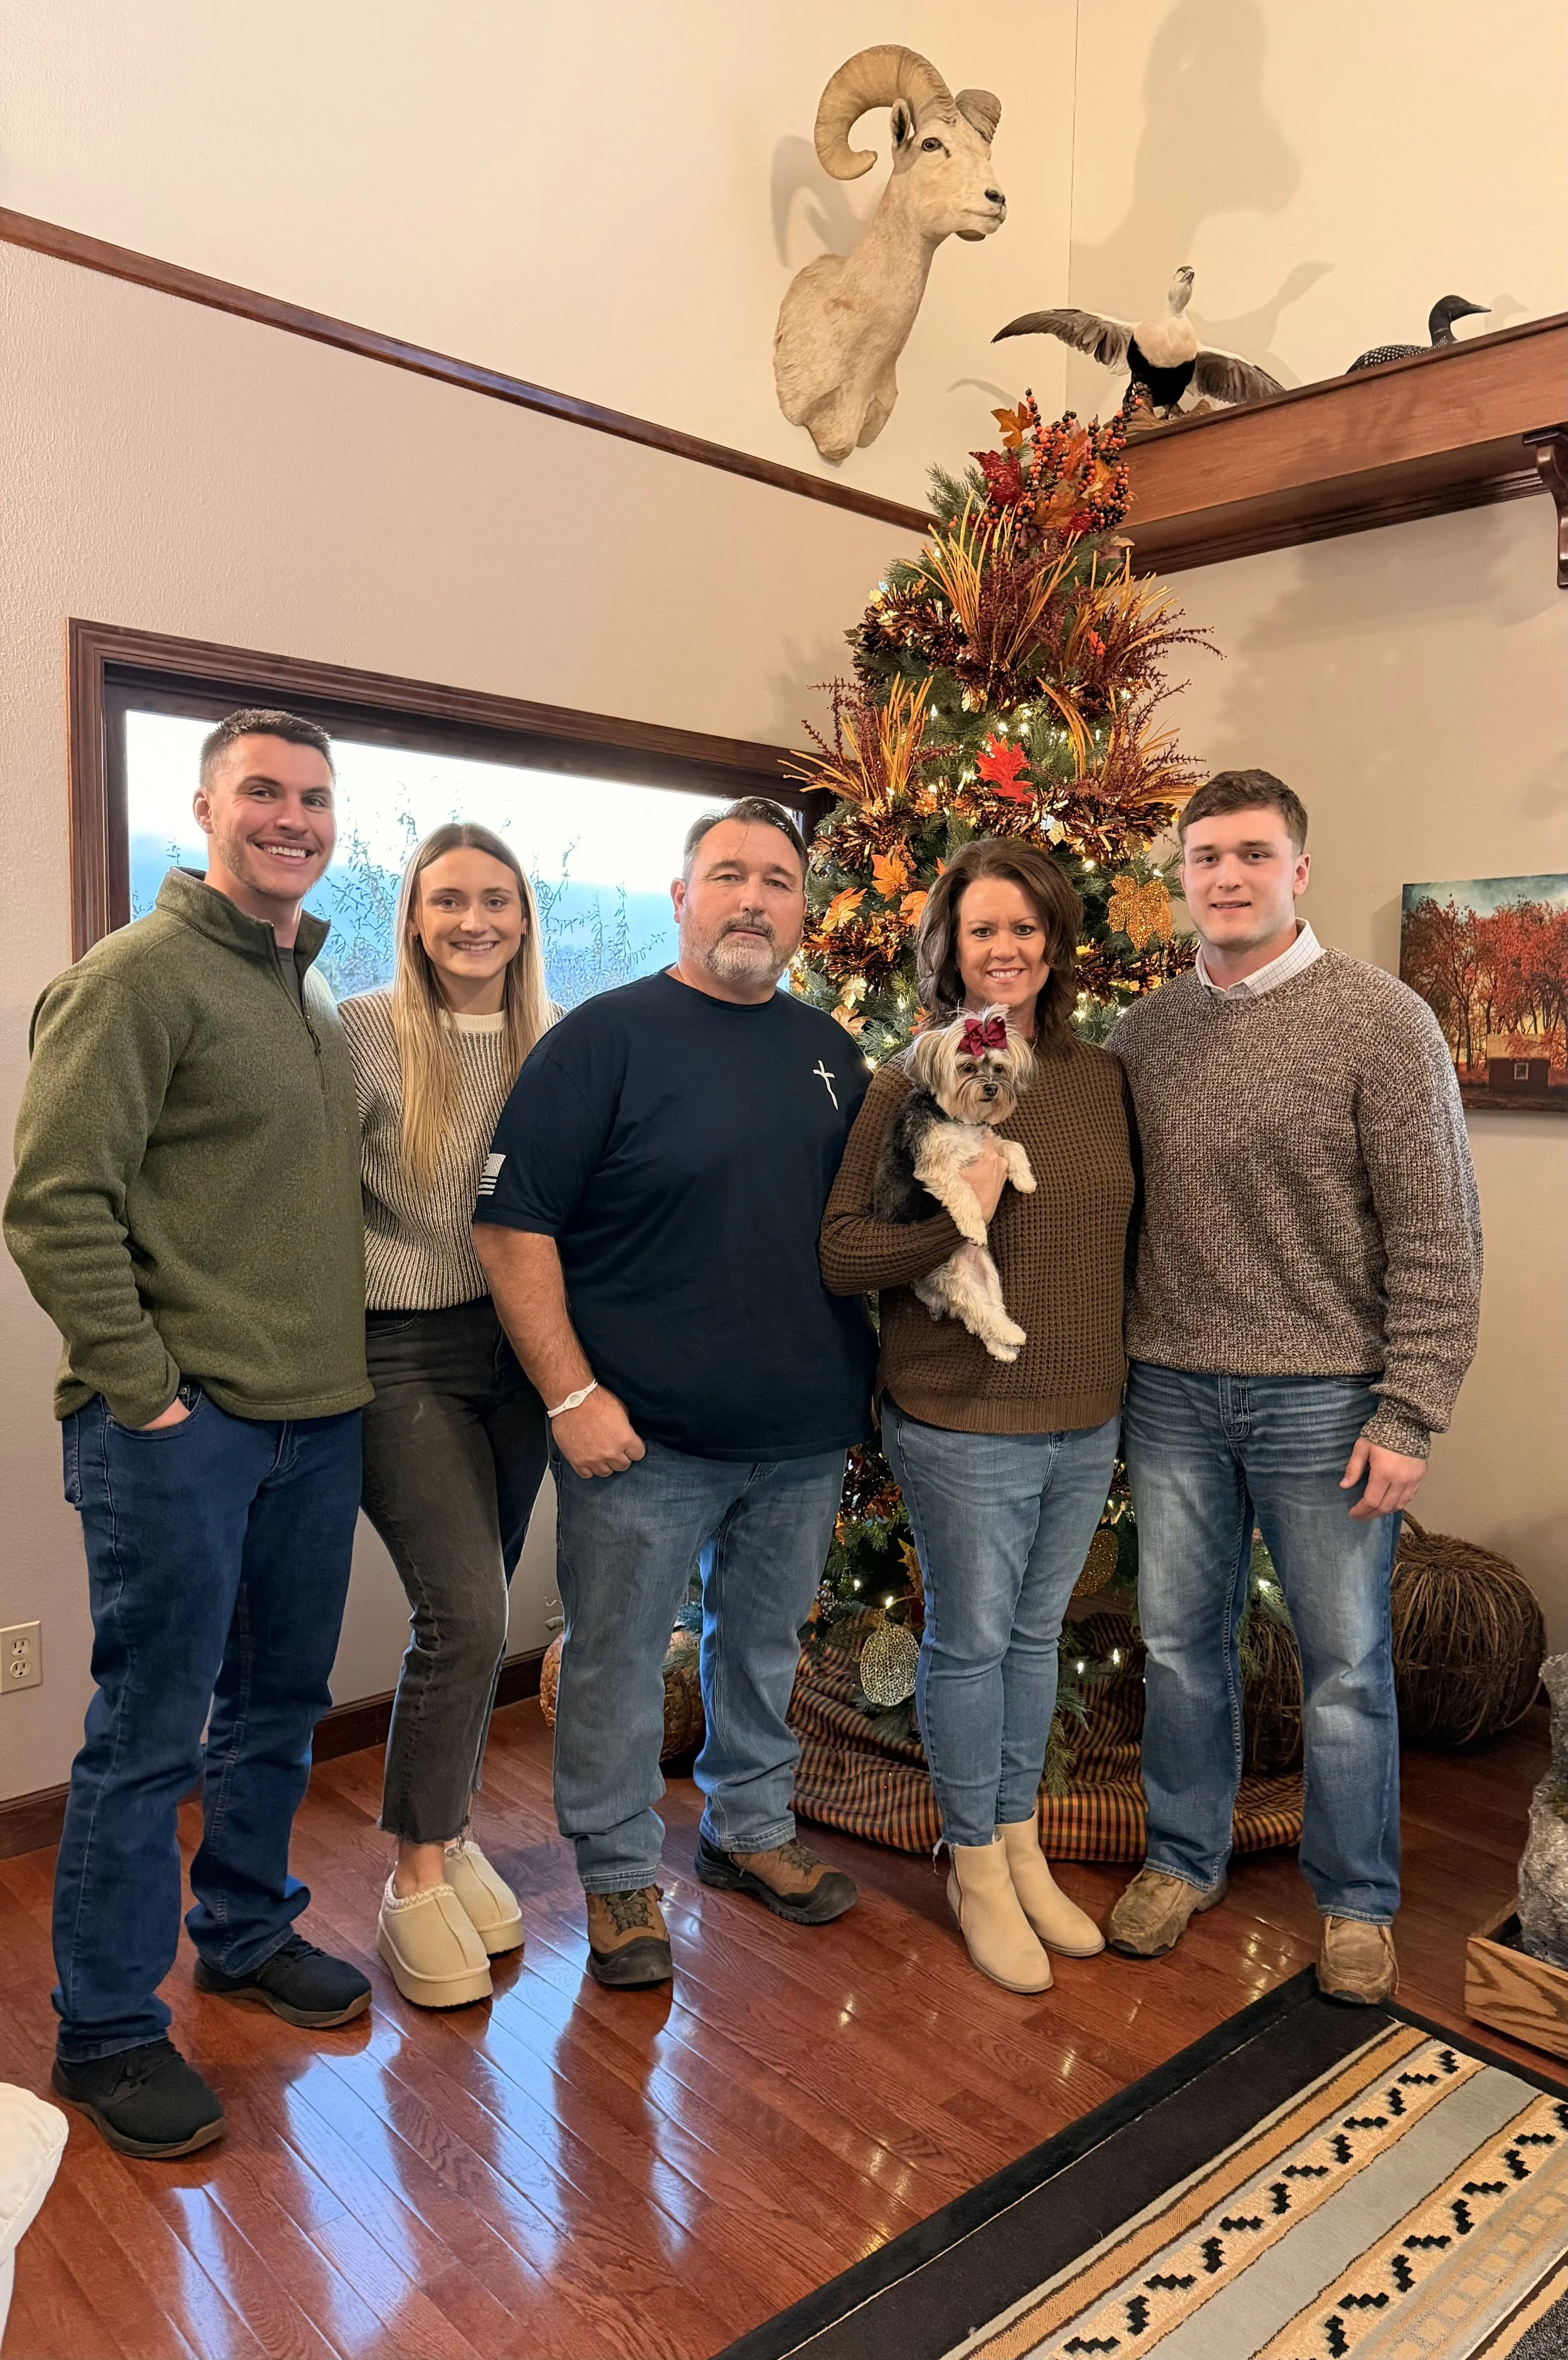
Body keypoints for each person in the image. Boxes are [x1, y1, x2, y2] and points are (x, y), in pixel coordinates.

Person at [4, 708, 374, 2161]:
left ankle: (242, 1928)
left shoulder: (307, 985)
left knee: (275, 1708)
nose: (292, 818)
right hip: (178, 1429)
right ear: (205, 809)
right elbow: (54, 1202)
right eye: (264, 793)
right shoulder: (135, 979)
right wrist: (147, 1389)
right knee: (148, 1735)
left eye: (314, 799)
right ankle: (104, 2033)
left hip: (311, 1421)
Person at [472, 797, 874, 1988]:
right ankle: (616, 1879)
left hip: (801, 1434)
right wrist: (569, 1396)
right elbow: (510, 1226)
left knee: (761, 1649)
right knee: (616, 1659)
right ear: (682, 895)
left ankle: (750, 1834)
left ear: (804, 909)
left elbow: (860, 1229)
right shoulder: (605, 1040)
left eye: (780, 880)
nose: (754, 898)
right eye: (729, 875)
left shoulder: (831, 1052)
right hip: (637, 1439)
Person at [1105, 769, 1482, 2003]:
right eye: (1203, 855)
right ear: (1180, 875)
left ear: (1296, 871)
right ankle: (1179, 1854)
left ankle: (1354, 1899)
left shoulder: (1381, 1022)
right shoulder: (1140, 1035)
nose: (1224, 875)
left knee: (1344, 1663)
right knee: (1176, 1646)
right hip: (1167, 1388)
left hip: (1323, 1399)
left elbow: (1437, 1235)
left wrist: (1410, 1407)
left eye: (1250, 854)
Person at [820, 838, 1135, 1993]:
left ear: (1055, 942)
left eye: (1026, 928)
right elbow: (845, 1249)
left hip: (1083, 1410)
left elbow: (1122, 1246)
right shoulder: (907, 1077)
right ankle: (975, 1867)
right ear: (947, 948)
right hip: (961, 1414)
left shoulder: (1103, 1079)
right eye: (981, 930)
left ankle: (1021, 1842)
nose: (1005, 949)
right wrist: (957, 1226)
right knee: (972, 1640)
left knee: (1036, 1639)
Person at [341, 825, 554, 2009]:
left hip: (519, 1349)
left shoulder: (555, 1042)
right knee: (465, 1614)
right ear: (415, 918)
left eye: (496, 900)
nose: (474, 920)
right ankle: (413, 1875)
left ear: (524, 917)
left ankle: (452, 1824)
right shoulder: (365, 1032)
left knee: (495, 1596)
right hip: (400, 1351)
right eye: (447, 901)